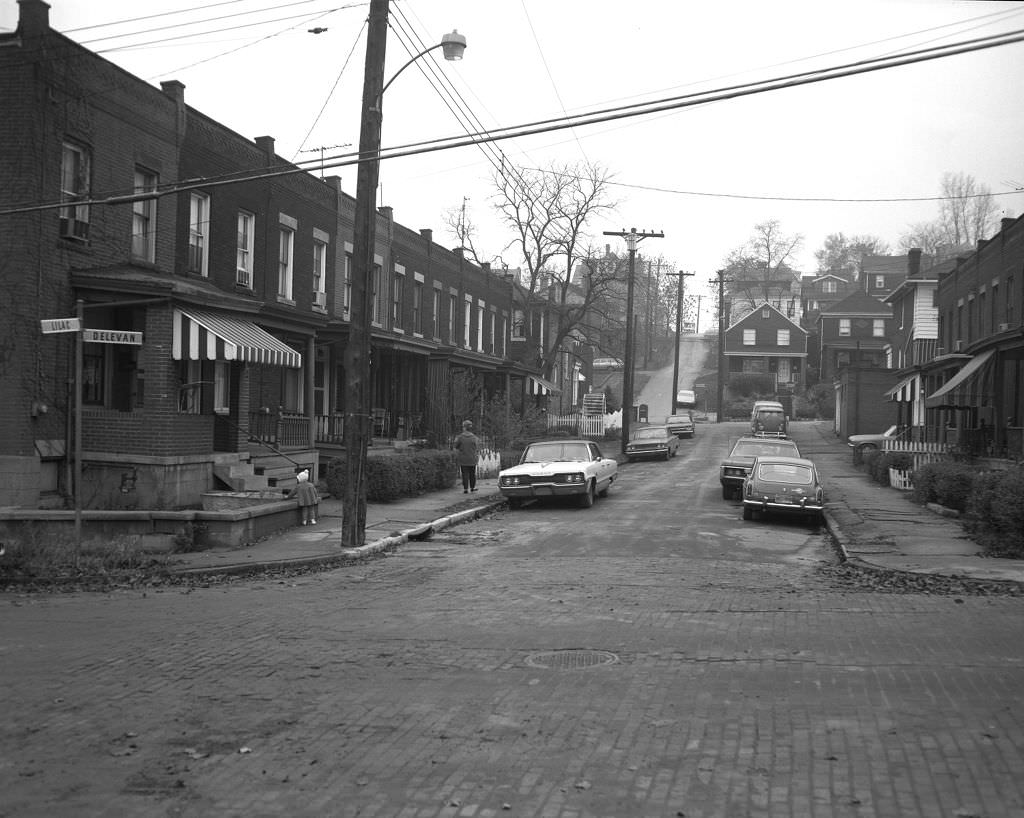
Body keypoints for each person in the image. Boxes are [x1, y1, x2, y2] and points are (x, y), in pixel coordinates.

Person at [454, 419, 480, 493]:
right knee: (472, 473)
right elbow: (477, 447)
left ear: (464, 427)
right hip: (472, 458)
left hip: (463, 458)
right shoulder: (475, 437)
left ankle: (465, 489)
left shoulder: (460, 437)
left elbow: (456, 446)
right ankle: (472, 487)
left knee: (465, 473)